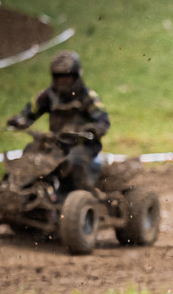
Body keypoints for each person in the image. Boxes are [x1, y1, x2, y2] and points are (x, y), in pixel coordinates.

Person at [6, 51, 110, 194]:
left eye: (67, 77)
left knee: (74, 162)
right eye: (59, 77)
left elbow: (103, 121)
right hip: (57, 142)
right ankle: (18, 189)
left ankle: (84, 194)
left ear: (76, 76)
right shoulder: (47, 95)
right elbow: (29, 112)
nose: (63, 81)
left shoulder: (88, 96)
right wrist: (20, 120)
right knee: (30, 151)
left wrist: (91, 129)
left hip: (82, 144)